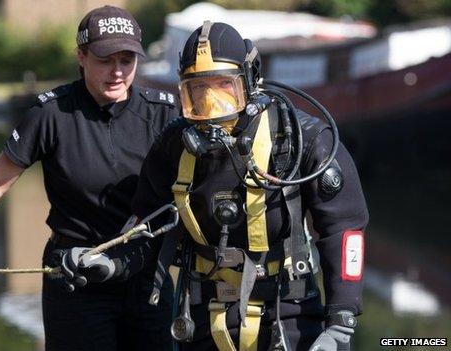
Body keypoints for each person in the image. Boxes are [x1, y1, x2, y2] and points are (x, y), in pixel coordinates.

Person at [0, 6, 178, 350]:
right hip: (76, 278)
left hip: (147, 277)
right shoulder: (50, 114)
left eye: (126, 60)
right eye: (105, 60)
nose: (117, 72)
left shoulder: (163, 112)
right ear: (81, 57)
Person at [130, 22, 369, 350]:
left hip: (289, 314)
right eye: (199, 90)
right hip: (201, 317)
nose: (212, 103)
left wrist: (341, 323)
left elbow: (344, 230)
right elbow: (146, 222)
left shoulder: (301, 140)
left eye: (223, 86)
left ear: (250, 81)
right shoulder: (173, 147)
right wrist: (112, 259)